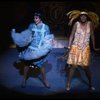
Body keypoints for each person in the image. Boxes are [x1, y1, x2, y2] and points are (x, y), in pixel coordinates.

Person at [11, 12, 54, 88]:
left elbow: (48, 39)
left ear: (40, 18)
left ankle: (45, 80)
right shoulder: (31, 26)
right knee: (27, 64)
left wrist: (47, 48)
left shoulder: (46, 27)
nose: (35, 20)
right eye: (34, 18)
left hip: (40, 50)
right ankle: (24, 79)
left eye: (36, 18)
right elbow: (27, 35)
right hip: (31, 49)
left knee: (41, 65)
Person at [65, 10, 100, 92]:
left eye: (84, 16)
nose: (83, 17)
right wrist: (69, 46)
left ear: (87, 17)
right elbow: (71, 35)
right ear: (79, 17)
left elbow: (92, 35)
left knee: (86, 67)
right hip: (75, 47)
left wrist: (94, 47)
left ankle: (90, 84)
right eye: (81, 16)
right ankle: (68, 83)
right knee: (73, 66)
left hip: (85, 48)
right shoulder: (76, 24)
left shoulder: (89, 24)